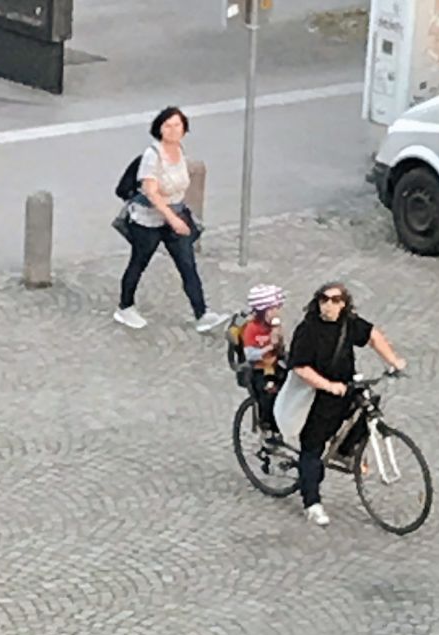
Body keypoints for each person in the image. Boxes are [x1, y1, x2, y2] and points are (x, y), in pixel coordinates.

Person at [283, 282, 404, 526]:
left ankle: (346, 450)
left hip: (345, 387)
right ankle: (312, 503)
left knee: (369, 407)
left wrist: (393, 361)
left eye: (335, 300)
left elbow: (372, 335)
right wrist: (327, 385)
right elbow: (300, 368)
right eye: (324, 299)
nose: (329, 305)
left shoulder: (348, 323)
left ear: (344, 303)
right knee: (312, 450)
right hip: (315, 396)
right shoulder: (308, 330)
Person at [112, 107, 227, 335]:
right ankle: (124, 307)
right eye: (168, 125)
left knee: (187, 264)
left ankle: (202, 313)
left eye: (178, 125)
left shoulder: (180, 151)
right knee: (139, 262)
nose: (173, 130)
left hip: (175, 214)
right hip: (148, 220)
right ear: (159, 129)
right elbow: (151, 192)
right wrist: (173, 219)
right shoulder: (152, 156)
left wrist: (177, 216)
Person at [238, 283, 286, 428]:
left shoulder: (272, 326)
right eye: (272, 309)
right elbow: (250, 354)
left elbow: (280, 347)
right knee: (269, 394)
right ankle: (268, 427)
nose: (276, 312)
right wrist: (267, 348)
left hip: (275, 363)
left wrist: (277, 337)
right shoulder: (251, 329)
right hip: (260, 369)